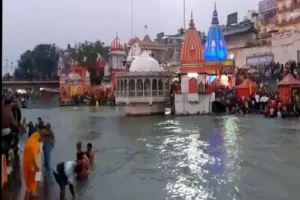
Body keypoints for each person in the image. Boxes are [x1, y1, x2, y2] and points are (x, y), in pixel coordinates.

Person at [22, 131, 42, 198]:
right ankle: (32, 192)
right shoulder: (36, 144)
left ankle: (27, 190)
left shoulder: (28, 143)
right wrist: (38, 168)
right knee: (34, 180)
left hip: (26, 164)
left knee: (27, 178)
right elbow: (36, 157)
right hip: (34, 165)